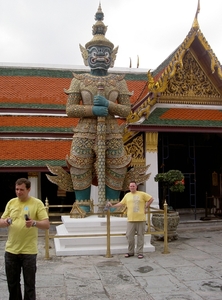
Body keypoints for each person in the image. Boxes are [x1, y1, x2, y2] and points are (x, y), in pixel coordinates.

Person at [64, 4, 132, 211]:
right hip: (84, 130)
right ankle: (83, 204)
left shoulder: (118, 81)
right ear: (87, 55)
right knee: (80, 164)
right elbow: (70, 109)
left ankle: (112, 203)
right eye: (96, 52)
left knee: (116, 165)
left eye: (105, 52)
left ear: (112, 57)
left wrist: (109, 105)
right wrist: (92, 110)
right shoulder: (79, 80)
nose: (101, 56)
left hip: (111, 130)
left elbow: (127, 111)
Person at [0, 178, 50, 300]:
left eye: (22, 189)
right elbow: (1, 222)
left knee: (29, 286)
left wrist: (34, 223)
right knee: (12, 285)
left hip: (29, 251)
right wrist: (6, 221)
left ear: (29, 189)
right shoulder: (11, 202)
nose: (18, 192)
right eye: (17, 189)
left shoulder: (37, 203)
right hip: (11, 250)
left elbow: (46, 224)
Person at [108, 181, 154, 259]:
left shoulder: (142, 194)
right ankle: (130, 251)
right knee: (129, 236)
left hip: (141, 219)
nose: (132, 187)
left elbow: (151, 199)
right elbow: (121, 203)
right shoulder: (127, 195)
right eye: (131, 186)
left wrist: (145, 207)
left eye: (133, 186)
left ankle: (140, 252)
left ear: (136, 187)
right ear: (129, 187)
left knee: (140, 236)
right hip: (131, 219)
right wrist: (112, 206)